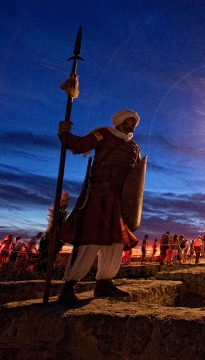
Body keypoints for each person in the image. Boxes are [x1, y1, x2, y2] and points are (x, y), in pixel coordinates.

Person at [57, 109, 142, 305]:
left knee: (116, 241)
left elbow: (135, 178)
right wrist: (64, 134)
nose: (133, 125)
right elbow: (79, 145)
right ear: (120, 121)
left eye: (135, 123)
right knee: (90, 238)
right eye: (130, 121)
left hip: (120, 200)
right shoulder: (104, 134)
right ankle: (69, 286)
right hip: (99, 195)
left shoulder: (134, 147)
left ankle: (104, 281)